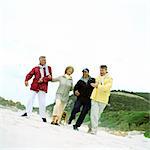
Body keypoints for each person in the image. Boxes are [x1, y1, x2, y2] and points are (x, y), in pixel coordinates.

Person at [21, 56, 52, 122]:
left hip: (43, 87)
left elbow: (50, 77)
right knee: (30, 99)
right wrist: (26, 80)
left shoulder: (48, 68)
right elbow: (30, 74)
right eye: (43, 60)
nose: (45, 61)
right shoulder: (36, 68)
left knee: (42, 102)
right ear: (40, 60)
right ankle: (27, 112)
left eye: (45, 60)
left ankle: (43, 116)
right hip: (35, 85)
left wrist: (43, 80)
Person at [88, 65, 113, 134]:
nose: (101, 71)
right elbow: (94, 84)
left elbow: (106, 88)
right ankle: (94, 130)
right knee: (94, 114)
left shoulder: (110, 78)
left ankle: (90, 127)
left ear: (106, 70)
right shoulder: (97, 77)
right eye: (100, 70)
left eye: (102, 70)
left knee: (97, 115)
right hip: (95, 98)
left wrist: (97, 86)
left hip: (103, 99)